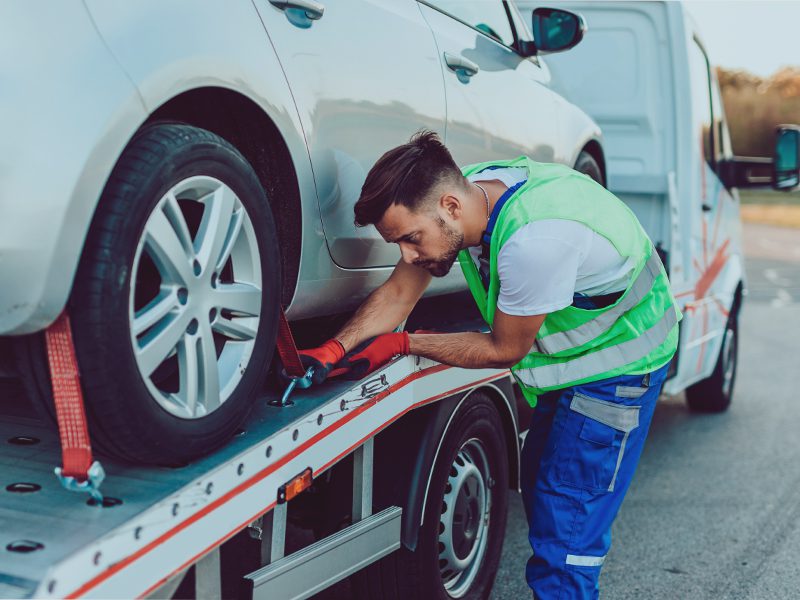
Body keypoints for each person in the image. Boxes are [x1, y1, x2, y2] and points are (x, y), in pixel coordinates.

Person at [299, 130, 681, 598]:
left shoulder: (532, 243)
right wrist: (333, 349)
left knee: (567, 537)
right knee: (546, 489)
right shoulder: (474, 191)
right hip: (576, 364)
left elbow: (504, 349)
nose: (409, 256)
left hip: (621, 366)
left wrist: (405, 344)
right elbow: (399, 294)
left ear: (450, 207)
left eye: (411, 239)